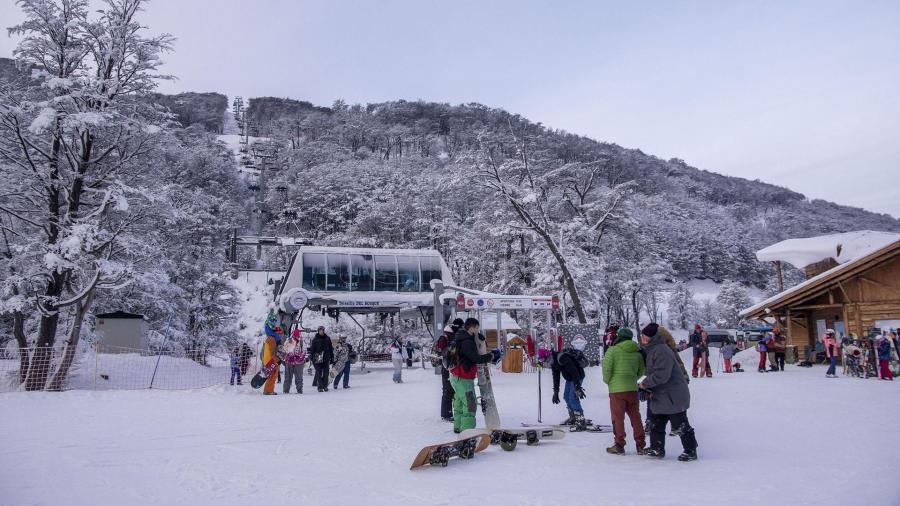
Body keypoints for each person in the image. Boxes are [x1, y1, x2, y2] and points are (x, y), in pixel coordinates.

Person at [639, 323, 698, 461]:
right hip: (661, 394)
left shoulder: (661, 350)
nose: (641, 338)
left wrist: (644, 383)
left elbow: (662, 375)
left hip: (673, 395)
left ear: (649, 337)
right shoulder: (653, 349)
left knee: (681, 425)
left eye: (643, 335)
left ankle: (690, 450)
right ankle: (656, 448)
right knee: (656, 424)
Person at [449, 318, 499, 433]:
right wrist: (491, 356)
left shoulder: (460, 337)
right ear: (472, 327)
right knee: (470, 404)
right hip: (464, 376)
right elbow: (476, 358)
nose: (478, 329)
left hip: (456, 375)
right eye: (477, 327)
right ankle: (467, 433)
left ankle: (458, 427)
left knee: (460, 402)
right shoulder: (467, 341)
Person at [602, 327, 646, 455]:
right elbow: (641, 371)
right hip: (632, 389)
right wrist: (632, 379)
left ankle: (619, 445)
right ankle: (641, 445)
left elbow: (606, 371)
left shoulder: (612, 351)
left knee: (618, 418)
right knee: (636, 417)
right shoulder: (637, 352)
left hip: (616, 390)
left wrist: (609, 381)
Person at [552, 339, 589, 430]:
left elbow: (574, 370)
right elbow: (556, 377)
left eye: (545, 359)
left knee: (573, 397)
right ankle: (573, 417)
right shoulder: (553, 362)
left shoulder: (562, 357)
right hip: (570, 378)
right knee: (566, 396)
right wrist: (556, 391)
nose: (546, 362)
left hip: (577, 376)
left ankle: (581, 420)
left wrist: (577, 386)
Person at [434, 318, 463, 422]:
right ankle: (446, 414)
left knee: (454, 390)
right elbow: (443, 351)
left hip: (453, 366)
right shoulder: (446, 337)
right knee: (447, 390)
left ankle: (452, 412)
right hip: (447, 366)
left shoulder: (451, 335)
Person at [309, 326, 334, 392]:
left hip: (326, 358)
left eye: (322, 330)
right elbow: (312, 350)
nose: (321, 331)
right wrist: (312, 358)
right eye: (320, 330)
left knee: (326, 373)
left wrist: (332, 357)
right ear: (318, 331)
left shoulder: (327, 338)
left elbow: (330, 348)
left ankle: (325, 386)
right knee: (318, 373)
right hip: (317, 358)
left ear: (323, 330)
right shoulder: (315, 339)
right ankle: (320, 386)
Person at [261, 325, 283, 395]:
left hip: (269, 360)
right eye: (279, 332)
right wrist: (276, 360)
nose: (280, 334)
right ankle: (268, 390)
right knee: (272, 375)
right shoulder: (272, 339)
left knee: (272, 375)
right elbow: (273, 352)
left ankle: (269, 390)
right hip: (271, 360)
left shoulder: (270, 338)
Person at [282, 329, 306, 394]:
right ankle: (286, 390)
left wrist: (299, 357)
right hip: (289, 362)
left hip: (299, 363)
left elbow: (304, 351)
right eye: (295, 336)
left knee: (299, 377)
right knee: (288, 378)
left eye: (297, 336)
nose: (296, 337)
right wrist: (290, 355)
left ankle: (299, 390)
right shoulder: (289, 340)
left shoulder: (301, 342)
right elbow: (285, 349)